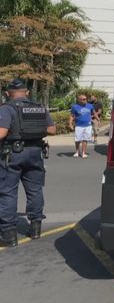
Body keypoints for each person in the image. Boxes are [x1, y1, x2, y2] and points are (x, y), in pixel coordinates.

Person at [0, 79, 56, 247]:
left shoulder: (7, 109)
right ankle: (36, 227)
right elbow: (52, 130)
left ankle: (9, 234)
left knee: (8, 193)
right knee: (35, 190)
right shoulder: (39, 108)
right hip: (35, 153)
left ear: (8, 94)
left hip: (12, 155)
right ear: (27, 92)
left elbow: (1, 133)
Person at [69, 94, 94, 158]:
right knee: (77, 139)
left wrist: (98, 119)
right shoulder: (75, 107)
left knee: (85, 139)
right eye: (83, 99)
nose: (85, 100)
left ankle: (83, 153)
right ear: (79, 100)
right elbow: (72, 116)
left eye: (86, 99)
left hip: (88, 125)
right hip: (79, 125)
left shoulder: (90, 106)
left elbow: (93, 112)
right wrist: (70, 124)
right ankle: (77, 152)